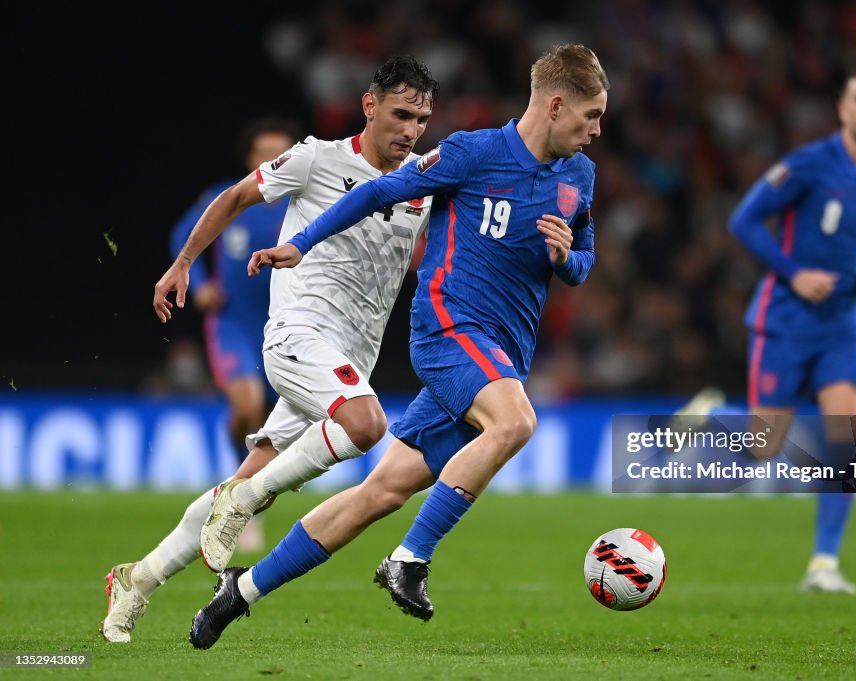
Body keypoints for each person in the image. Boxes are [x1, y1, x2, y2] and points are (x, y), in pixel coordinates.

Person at [189, 44, 607, 648]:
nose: (596, 131)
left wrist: (568, 258)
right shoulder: (472, 152)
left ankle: (241, 590)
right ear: (557, 104)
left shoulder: (579, 177)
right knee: (515, 423)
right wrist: (302, 242)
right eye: (591, 116)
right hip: (449, 330)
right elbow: (377, 192)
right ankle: (409, 559)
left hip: (501, 355)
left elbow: (584, 261)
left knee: (381, 492)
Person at [100, 55, 439, 643]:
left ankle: (137, 579)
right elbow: (234, 198)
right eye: (401, 115)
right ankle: (245, 499)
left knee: (250, 478)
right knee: (365, 425)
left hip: (348, 360)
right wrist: (184, 264)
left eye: (422, 120)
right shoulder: (316, 157)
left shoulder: (422, 183)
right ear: (369, 105)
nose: (410, 131)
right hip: (296, 335)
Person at [678, 63, 856, 594]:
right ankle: (712, 414)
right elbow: (743, 219)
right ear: (842, 109)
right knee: (763, 445)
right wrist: (795, 273)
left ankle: (824, 564)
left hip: (841, 325)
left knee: (846, 437)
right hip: (785, 319)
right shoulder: (810, 165)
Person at [168, 116, 301, 552]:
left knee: (278, 423)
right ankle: (239, 487)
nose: (272, 161)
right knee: (247, 406)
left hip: (289, 325)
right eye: (264, 154)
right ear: (249, 159)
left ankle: (247, 498)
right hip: (233, 324)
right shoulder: (229, 198)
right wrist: (200, 283)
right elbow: (182, 236)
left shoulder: (304, 201)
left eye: (281, 154)